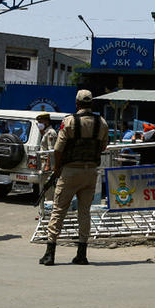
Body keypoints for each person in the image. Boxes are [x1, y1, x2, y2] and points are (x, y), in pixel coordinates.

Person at [39, 89, 108, 266]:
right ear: (91, 104)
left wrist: (57, 168)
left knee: (59, 210)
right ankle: (82, 254)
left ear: (77, 104)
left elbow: (58, 149)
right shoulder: (101, 123)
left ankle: (50, 253)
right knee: (84, 212)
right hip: (90, 172)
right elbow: (102, 147)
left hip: (70, 171)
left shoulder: (69, 121)